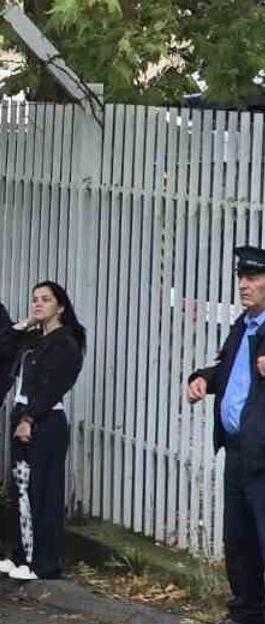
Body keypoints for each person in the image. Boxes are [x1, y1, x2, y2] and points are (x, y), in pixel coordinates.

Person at [187, 246, 265, 624]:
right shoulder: (243, 324)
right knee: (239, 540)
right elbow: (228, 369)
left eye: (252, 279)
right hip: (237, 451)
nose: (243, 286)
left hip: (263, 453)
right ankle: (247, 611)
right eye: (241, 278)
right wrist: (202, 377)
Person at [0, 281, 85, 582]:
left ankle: (44, 562)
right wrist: (23, 324)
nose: (38, 304)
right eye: (34, 299)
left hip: (45, 421)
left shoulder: (65, 343)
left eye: (45, 300)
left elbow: (54, 386)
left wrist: (29, 419)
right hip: (23, 414)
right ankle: (22, 554)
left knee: (44, 491)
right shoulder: (31, 338)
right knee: (22, 488)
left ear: (60, 306)